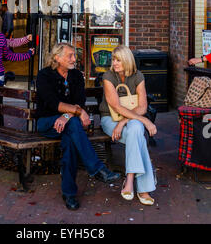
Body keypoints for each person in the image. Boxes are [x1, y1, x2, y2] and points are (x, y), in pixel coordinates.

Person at [36, 42, 120, 211]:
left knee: (70, 143)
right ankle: (97, 169)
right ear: (57, 58)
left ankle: (69, 194)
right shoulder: (44, 75)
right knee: (74, 124)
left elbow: (80, 101)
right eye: (70, 56)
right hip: (47, 122)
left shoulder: (76, 76)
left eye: (75, 55)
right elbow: (52, 103)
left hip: (68, 124)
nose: (75, 59)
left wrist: (67, 115)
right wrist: (76, 112)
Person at [99, 45, 157, 205]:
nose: (114, 63)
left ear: (127, 60)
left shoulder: (138, 76)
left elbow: (143, 107)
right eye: (113, 59)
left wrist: (124, 121)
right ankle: (144, 189)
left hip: (128, 121)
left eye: (118, 60)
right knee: (138, 131)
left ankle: (129, 180)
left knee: (135, 130)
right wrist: (145, 120)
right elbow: (116, 106)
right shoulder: (108, 76)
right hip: (110, 119)